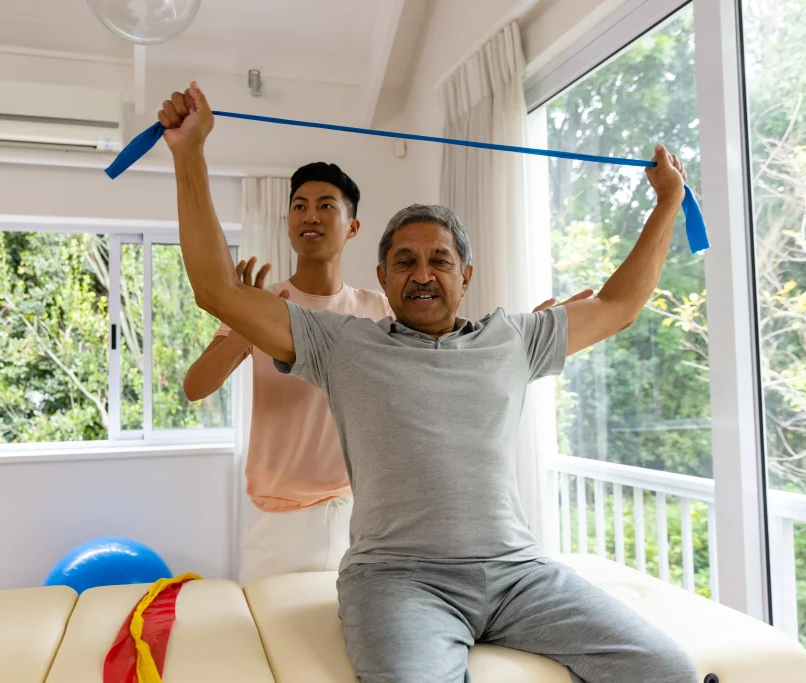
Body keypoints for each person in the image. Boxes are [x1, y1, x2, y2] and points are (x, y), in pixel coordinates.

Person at [160, 82, 697, 683]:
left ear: (465, 275)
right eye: (405, 262)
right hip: (397, 579)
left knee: (667, 667)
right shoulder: (343, 341)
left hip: (520, 574)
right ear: (382, 279)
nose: (422, 274)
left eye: (439, 260)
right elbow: (216, 290)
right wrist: (190, 154)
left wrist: (667, 204)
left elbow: (621, 304)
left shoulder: (515, 338)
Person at [183, 162, 588, 586]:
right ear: (287, 224)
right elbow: (197, 387)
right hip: (279, 520)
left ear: (352, 227)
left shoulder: (380, 308)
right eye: (299, 206)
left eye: (326, 206)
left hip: (366, 518)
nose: (311, 216)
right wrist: (243, 326)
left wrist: (521, 340)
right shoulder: (262, 306)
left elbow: (450, 348)